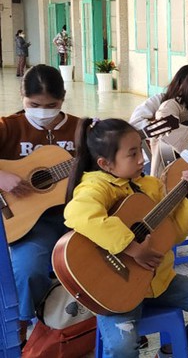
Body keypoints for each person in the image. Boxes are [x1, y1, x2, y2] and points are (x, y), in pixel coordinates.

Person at [63, 118, 188, 358]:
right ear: (106, 163)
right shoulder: (97, 187)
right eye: (132, 154)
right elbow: (76, 213)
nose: (142, 159)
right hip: (115, 288)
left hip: (160, 282)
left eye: (141, 149)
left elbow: (173, 234)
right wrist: (132, 248)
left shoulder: (150, 186)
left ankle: (168, 354)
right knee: (123, 347)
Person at [0, 65, 82, 345]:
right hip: (29, 222)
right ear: (22, 98)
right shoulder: (9, 127)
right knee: (27, 267)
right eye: (33, 105)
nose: (43, 112)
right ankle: (22, 326)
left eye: (52, 105)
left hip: (79, 216)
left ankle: (103, 321)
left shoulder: (82, 128)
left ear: (63, 98)